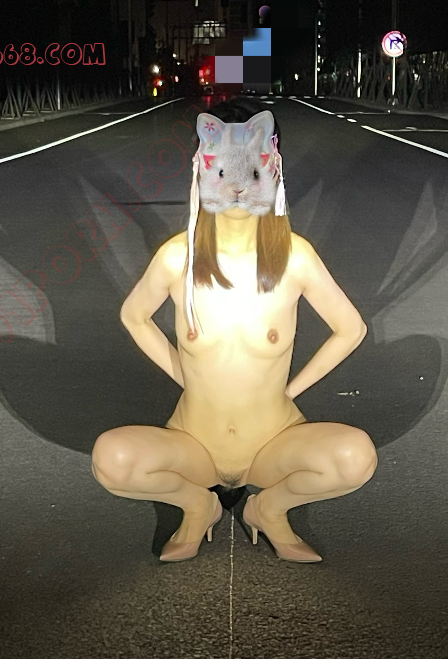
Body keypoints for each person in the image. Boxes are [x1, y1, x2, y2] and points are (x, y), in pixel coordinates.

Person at [91, 100, 377, 562]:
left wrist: (289, 392)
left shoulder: (296, 258)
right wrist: (186, 376)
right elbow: (134, 316)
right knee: (112, 459)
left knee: (355, 457)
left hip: (274, 442)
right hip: (194, 443)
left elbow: (351, 329)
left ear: (274, 168)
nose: (240, 186)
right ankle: (197, 505)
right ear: (202, 169)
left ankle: (269, 509)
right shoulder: (177, 258)